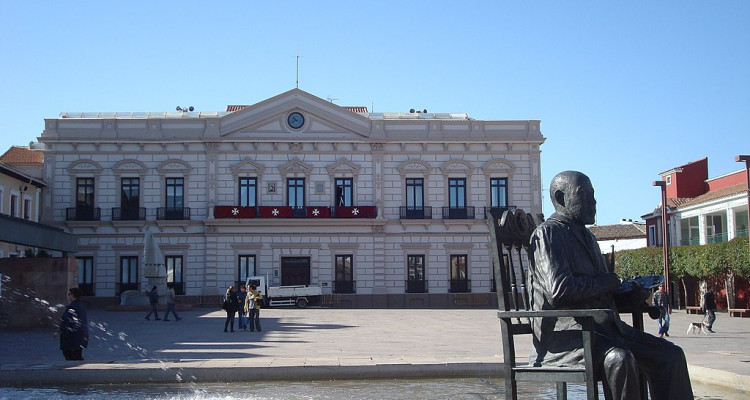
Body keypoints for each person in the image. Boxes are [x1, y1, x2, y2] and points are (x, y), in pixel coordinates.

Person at [528, 171, 692, 400]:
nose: (593, 201)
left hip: (606, 331)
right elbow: (559, 291)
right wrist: (606, 281)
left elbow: (605, 294)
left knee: (670, 355)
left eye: (593, 194)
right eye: (583, 194)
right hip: (566, 338)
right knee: (619, 359)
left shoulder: (589, 238)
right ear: (561, 197)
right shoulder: (548, 234)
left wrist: (633, 294)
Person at [56, 287, 89, 360]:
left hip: (71, 337)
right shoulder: (81, 305)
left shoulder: (73, 306)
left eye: (69, 294)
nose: (68, 296)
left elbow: (66, 320)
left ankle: (73, 371)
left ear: (73, 295)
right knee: (77, 355)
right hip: (80, 335)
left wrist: (59, 330)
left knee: (70, 356)